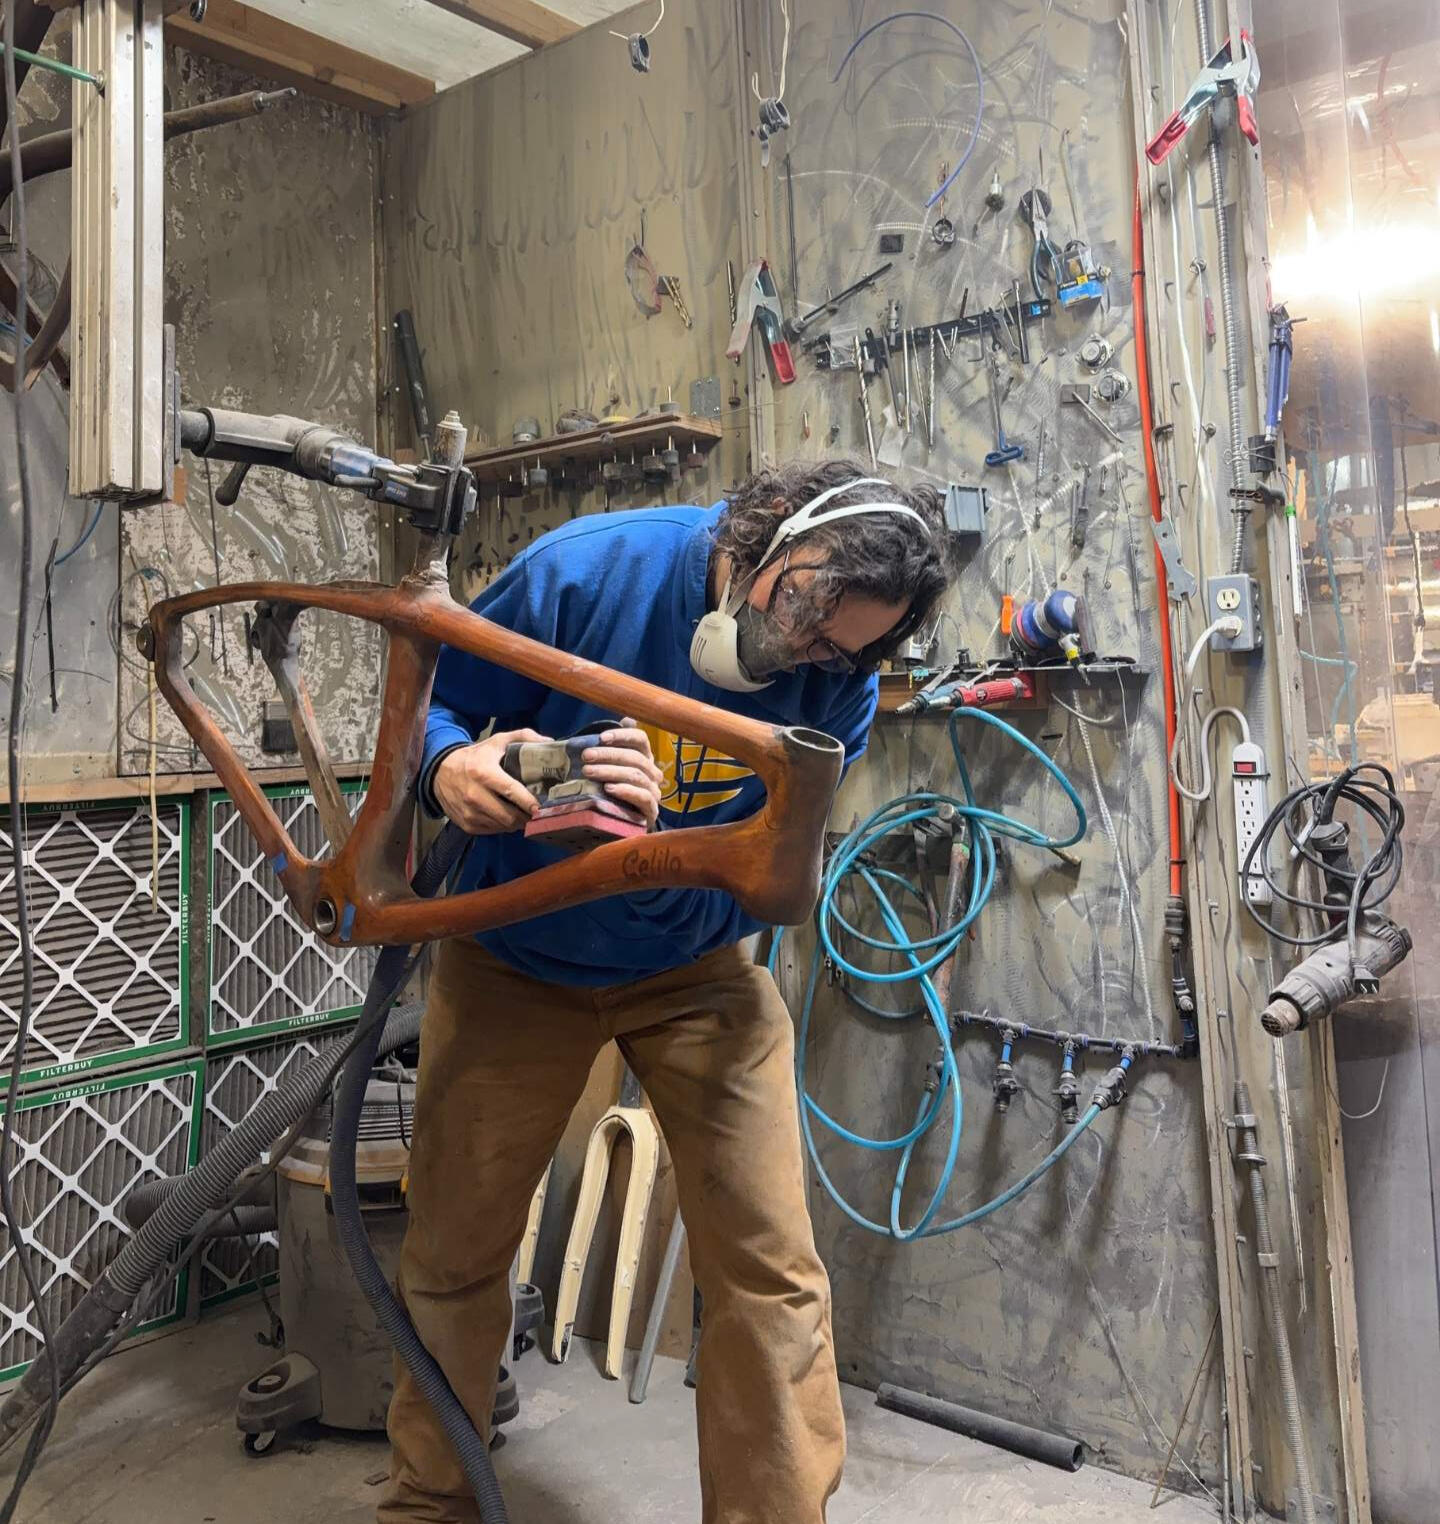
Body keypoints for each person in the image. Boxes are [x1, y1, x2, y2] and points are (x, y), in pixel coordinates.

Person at [380, 461, 958, 1524]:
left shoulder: (844, 679)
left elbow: (777, 861)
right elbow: (424, 702)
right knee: (455, 1249)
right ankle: (431, 1504)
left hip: (698, 971)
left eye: (842, 650)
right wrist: (455, 765)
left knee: (770, 1269)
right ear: (769, 530)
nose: (807, 656)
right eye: (803, 616)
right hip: (519, 955)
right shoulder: (588, 573)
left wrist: (668, 848)